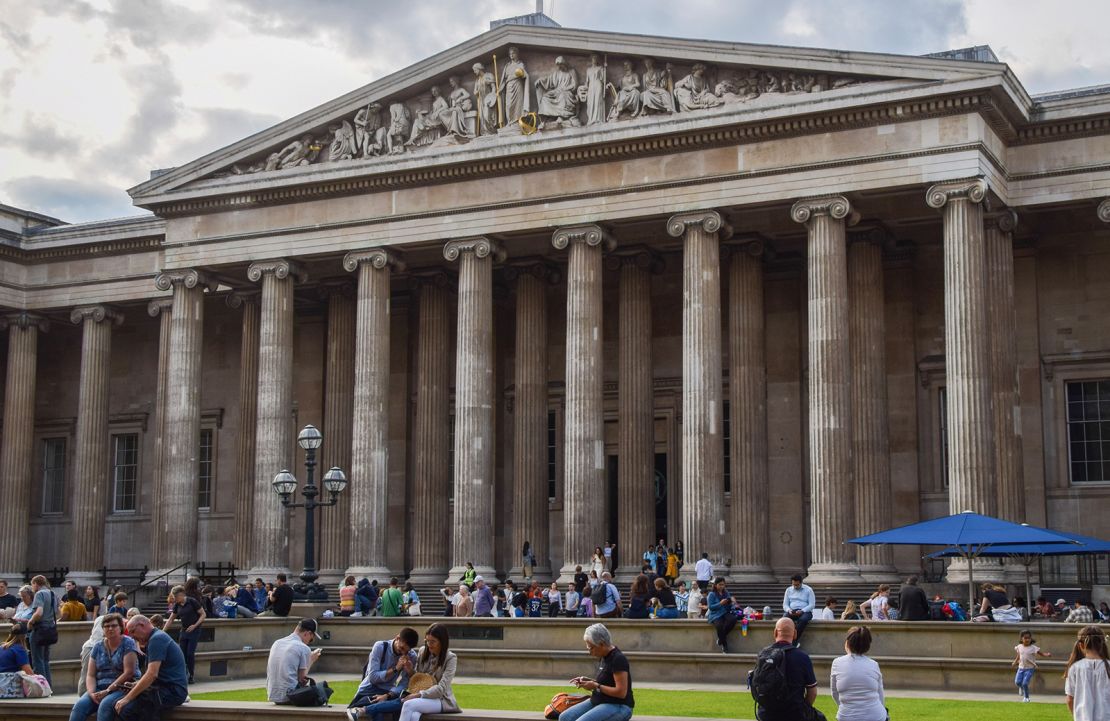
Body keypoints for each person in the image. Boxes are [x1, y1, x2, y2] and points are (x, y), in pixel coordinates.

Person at [112, 615, 188, 720]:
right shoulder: (156, 637)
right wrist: (136, 684)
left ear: (141, 625)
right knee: (125, 705)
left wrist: (126, 699)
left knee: (127, 708)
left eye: (133, 632)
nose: (132, 637)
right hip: (165, 689)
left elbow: (152, 674)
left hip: (172, 692)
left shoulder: (157, 639)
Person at [68, 613, 140, 721]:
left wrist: (108, 690)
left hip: (122, 687)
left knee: (105, 706)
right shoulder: (97, 646)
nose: (110, 628)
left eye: (114, 625)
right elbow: (91, 674)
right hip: (99, 687)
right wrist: (92, 693)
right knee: (79, 707)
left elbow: (129, 672)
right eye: (106, 626)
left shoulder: (128, 643)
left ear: (121, 627)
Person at [753, 617, 821, 721]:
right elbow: (812, 692)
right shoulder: (802, 657)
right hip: (794, 714)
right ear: (795, 634)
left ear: (775, 632)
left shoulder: (763, 654)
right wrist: (804, 709)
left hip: (766, 714)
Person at [564, 623, 634, 721]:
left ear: (601, 644)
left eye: (591, 647)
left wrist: (596, 686)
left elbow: (621, 692)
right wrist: (588, 681)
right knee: (565, 717)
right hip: (600, 700)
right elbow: (607, 683)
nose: (589, 652)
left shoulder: (618, 659)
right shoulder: (604, 657)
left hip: (619, 705)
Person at [347, 627, 419, 720]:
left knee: (405, 705)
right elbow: (373, 678)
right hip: (368, 690)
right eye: (401, 648)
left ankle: (360, 711)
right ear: (397, 638)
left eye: (407, 650)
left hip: (388, 692)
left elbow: (404, 684)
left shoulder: (411, 656)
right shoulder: (380, 647)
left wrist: (388, 695)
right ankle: (358, 710)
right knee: (379, 712)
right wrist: (396, 668)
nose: (403, 653)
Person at [397, 623, 459, 721]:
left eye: (433, 642)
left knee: (408, 704)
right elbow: (418, 679)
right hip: (423, 697)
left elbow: (441, 688)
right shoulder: (422, 651)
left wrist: (418, 695)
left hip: (441, 699)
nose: (429, 645)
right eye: (427, 641)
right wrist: (410, 671)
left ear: (442, 642)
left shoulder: (450, 658)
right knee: (414, 716)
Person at [829, 626, 885, 721]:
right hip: (875, 716)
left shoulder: (837, 663)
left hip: (846, 716)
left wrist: (847, 709)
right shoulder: (874, 664)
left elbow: (834, 693)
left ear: (848, 642)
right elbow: (880, 695)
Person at [266, 618, 322, 705]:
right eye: (311, 639)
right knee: (321, 690)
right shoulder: (303, 648)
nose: (309, 642)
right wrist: (311, 660)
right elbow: (302, 679)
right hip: (291, 696)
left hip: (273, 695)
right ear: (308, 633)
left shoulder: (277, 643)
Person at [1064, 625, 1110, 721]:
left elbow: (1069, 699)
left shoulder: (1074, 668)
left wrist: (1076, 715)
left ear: (1081, 645)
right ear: (1102, 643)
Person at [163, 584, 205, 684]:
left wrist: (195, 625)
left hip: (194, 630)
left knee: (190, 654)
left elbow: (203, 614)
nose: (175, 599)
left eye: (176, 597)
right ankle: (183, 674)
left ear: (181, 595)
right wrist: (162, 631)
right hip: (184, 630)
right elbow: (171, 619)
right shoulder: (177, 605)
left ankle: (191, 675)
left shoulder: (192, 602)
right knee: (181, 654)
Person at [27, 574, 57, 685]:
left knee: (37, 660)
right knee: (45, 660)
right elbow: (60, 613)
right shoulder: (52, 593)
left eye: (32, 585)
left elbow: (39, 612)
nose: (32, 588)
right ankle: (48, 685)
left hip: (39, 630)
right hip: (49, 630)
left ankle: (41, 686)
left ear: (36, 583)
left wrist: (30, 621)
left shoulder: (39, 594)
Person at [1012, 629, 1052, 703]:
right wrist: (1015, 662)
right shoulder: (1019, 647)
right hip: (1021, 667)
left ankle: (1026, 697)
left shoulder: (1033, 648)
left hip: (1030, 668)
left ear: (1031, 639)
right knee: (1017, 682)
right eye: (1025, 638)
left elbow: (1041, 653)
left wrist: (1047, 655)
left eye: (1029, 638)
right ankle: (1021, 687)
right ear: (1021, 639)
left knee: (1025, 683)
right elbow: (1019, 656)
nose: (1027, 640)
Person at [0, 623, 33, 698]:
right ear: (24, 636)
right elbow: (28, 672)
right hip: (10, 686)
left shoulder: (1, 647)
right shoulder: (19, 649)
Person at [707, 577, 738, 652]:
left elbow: (729, 604)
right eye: (720, 585)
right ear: (715, 585)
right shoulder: (711, 594)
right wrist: (720, 603)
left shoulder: (726, 592)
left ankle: (721, 639)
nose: (722, 586)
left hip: (725, 612)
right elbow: (711, 607)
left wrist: (732, 601)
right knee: (719, 625)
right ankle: (725, 645)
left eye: (723, 585)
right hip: (715, 614)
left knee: (733, 620)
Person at [783, 574, 816, 643]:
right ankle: (784, 639)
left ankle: (794, 640)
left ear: (801, 582)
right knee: (784, 619)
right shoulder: (788, 590)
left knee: (803, 620)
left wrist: (802, 610)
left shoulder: (808, 590)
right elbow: (785, 604)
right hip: (792, 610)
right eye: (793, 584)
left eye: (797, 585)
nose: (795, 586)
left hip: (805, 611)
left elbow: (812, 605)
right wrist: (789, 610)